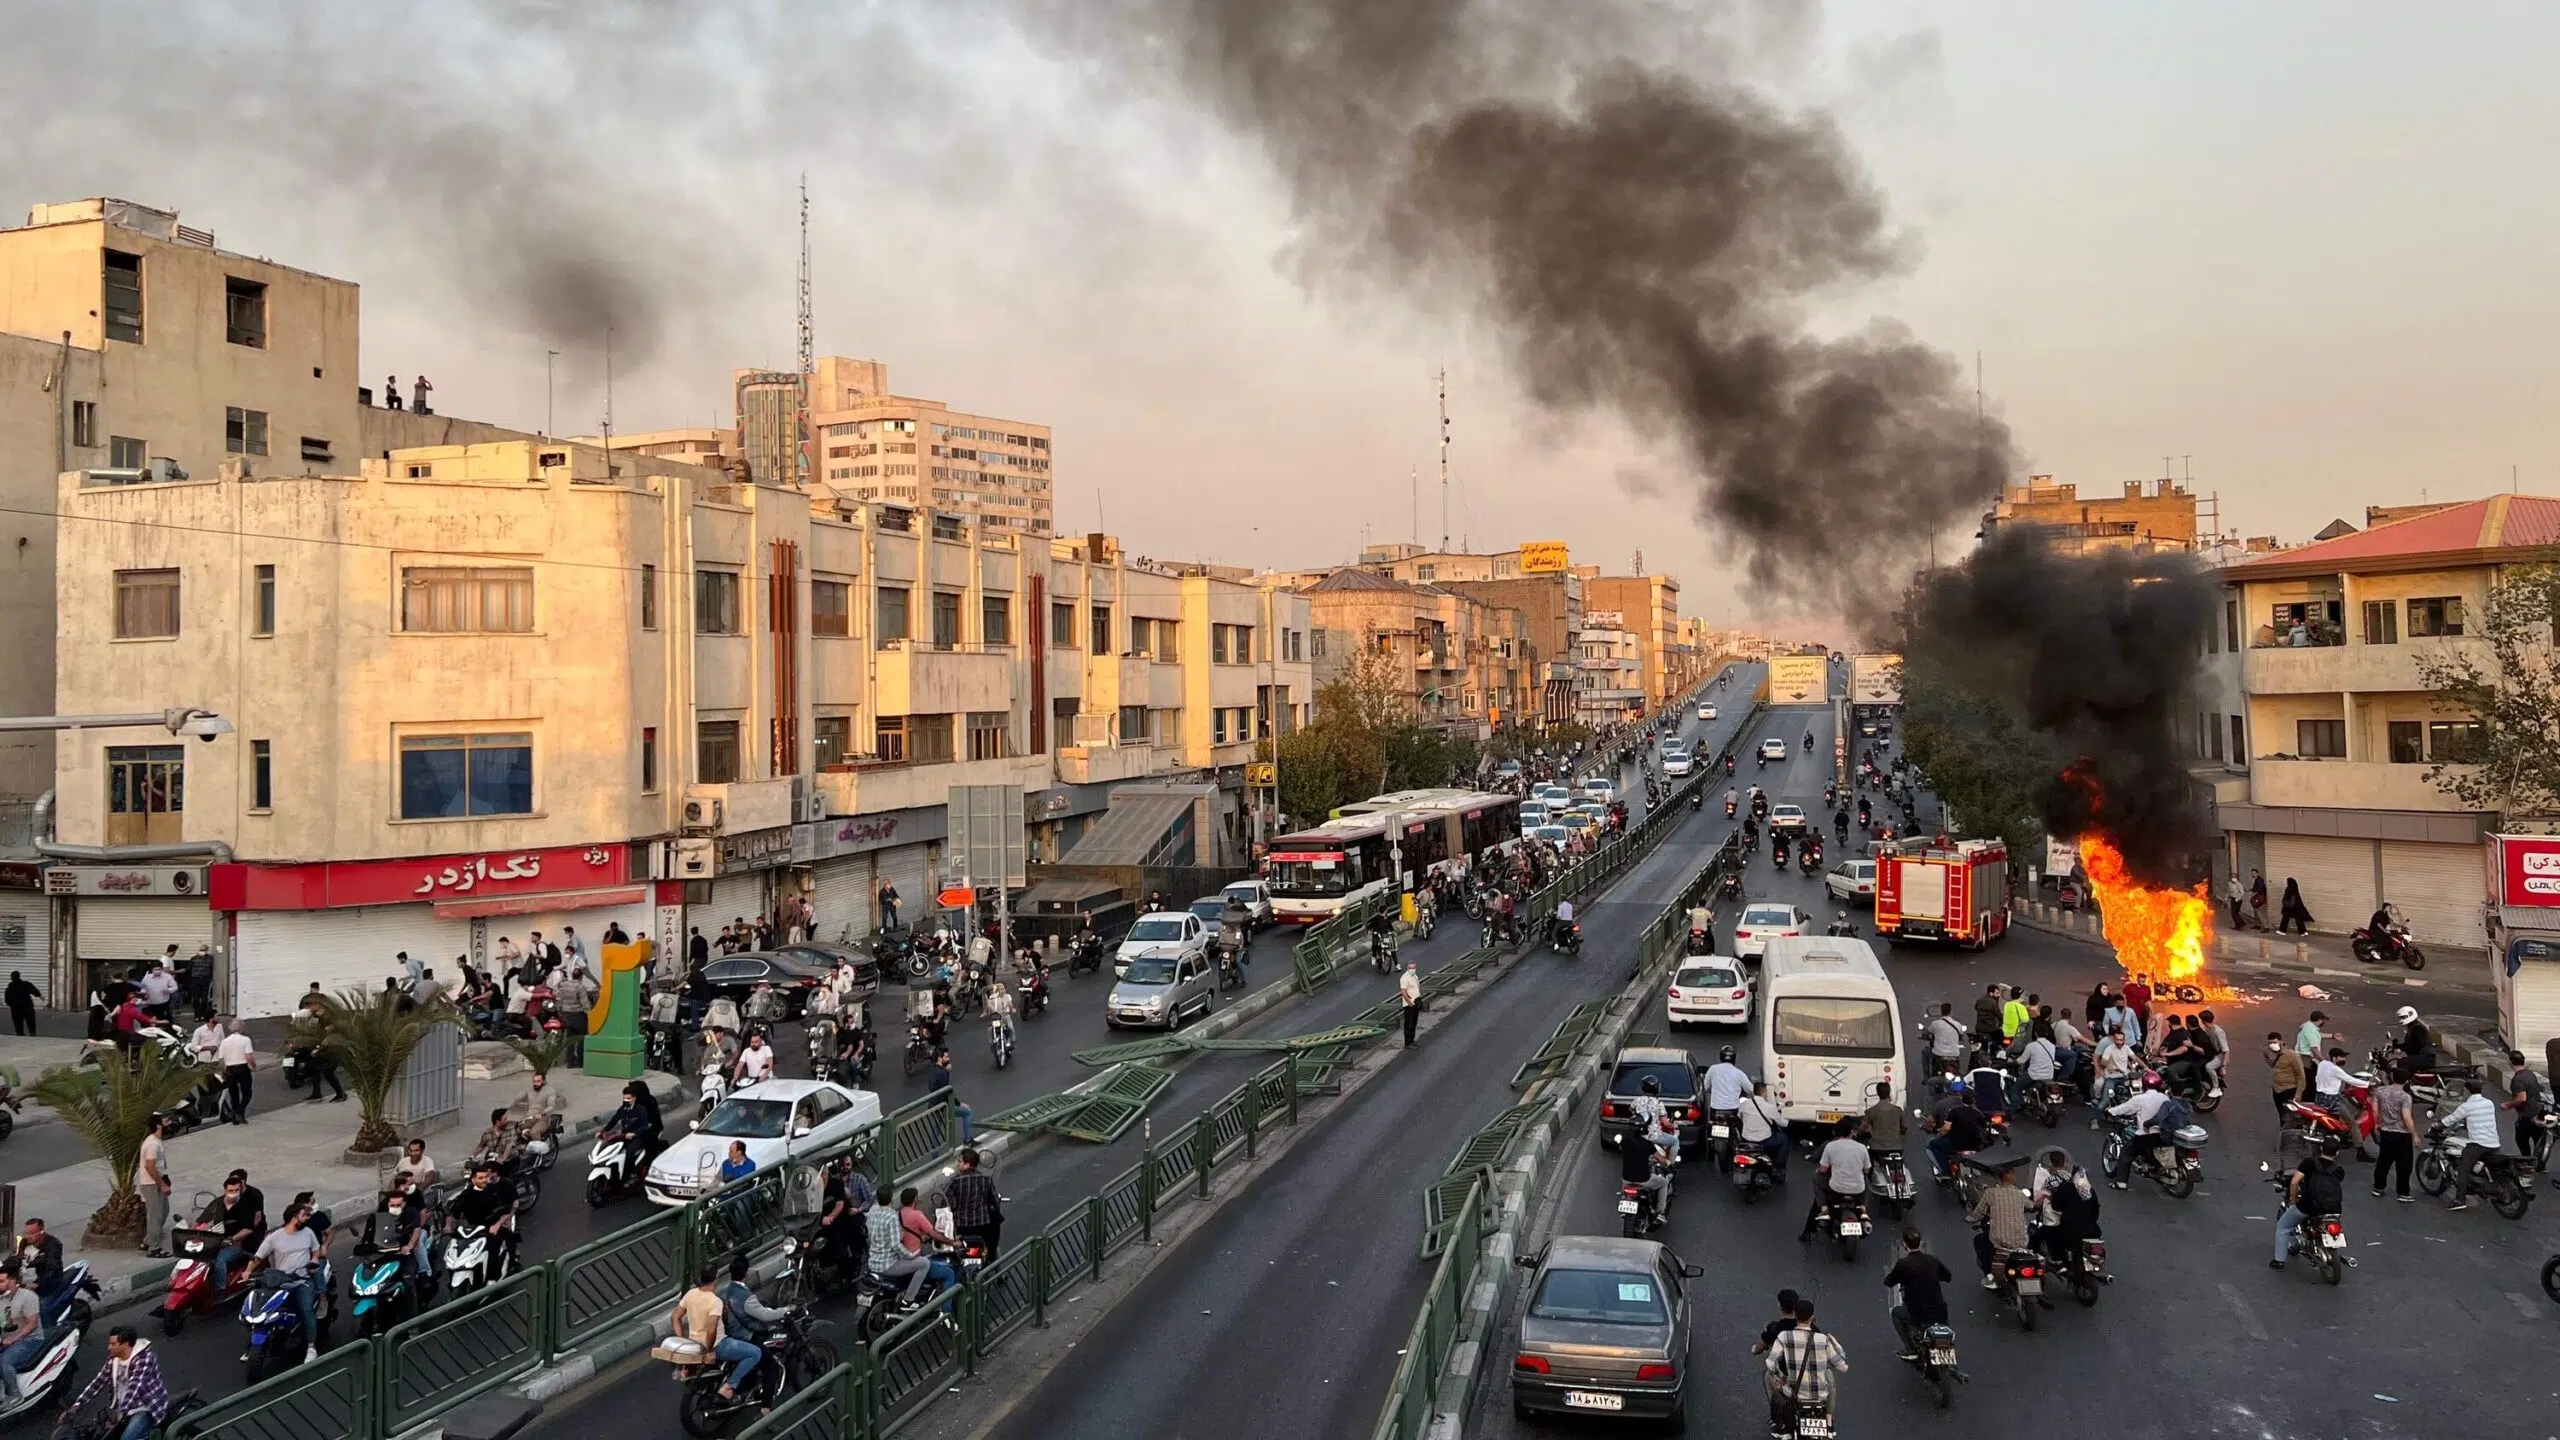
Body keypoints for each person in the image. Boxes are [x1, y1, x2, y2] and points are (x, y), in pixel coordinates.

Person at [243, 1202, 325, 1365]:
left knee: (306, 1308)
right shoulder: (275, 1237)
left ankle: (311, 1346)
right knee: (262, 1307)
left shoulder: (308, 1233)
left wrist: (314, 1260)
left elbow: (316, 1252)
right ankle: (252, 1345)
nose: (306, 1219)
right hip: (280, 1281)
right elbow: (258, 1257)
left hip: (302, 1280)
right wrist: (248, 1271)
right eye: (303, 1215)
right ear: (294, 1217)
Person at [1762, 1297, 1848, 1435]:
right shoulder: (1823, 1339)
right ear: (1812, 1317)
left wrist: (1780, 1378)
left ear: (1795, 1315)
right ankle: (1829, 1422)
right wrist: (1837, 1346)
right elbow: (1842, 1366)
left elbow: (1770, 1364)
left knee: (1767, 1376)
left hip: (1794, 1395)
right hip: (1820, 1396)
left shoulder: (1784, 1336)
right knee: (1829, 1376)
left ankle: (1780, 1423)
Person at [672, 1264, 758, 1402]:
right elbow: (711, 1330)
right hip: (718, 1345)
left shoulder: (690, 1294)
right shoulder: (715, 1301)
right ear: (716, 1279)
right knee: (755, 1353)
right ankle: (729, 1386)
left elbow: (675, 1317)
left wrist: (680, 1340)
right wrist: (710, 1351)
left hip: (694, 1345)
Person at [70, 1324, 170, 1440]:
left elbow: (135, 1387)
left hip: (145, 1407)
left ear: (126, 1345)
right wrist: (77, 1405)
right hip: (123, 1408)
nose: (109, 1347)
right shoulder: (114, 1359)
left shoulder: (145, 1358)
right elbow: (98, 1381)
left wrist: (120, 1413)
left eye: (113, 1344)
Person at [1882, 1226, 1953, 1361]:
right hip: (1940, 1311)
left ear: (1904, 1245)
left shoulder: (1903, 1264)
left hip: (1918, 1313)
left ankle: (1910, 1349)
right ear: (1920, 1243)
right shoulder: (1933, 1260)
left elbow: (1889, 1281)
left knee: (1896, 1313)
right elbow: (1948, 1276)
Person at [2272, 1142, 2347, 1269]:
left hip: (2308, 1206)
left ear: (2321, 1149)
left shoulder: (2309, 1163)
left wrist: (2293, 1200)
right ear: (2337, 1153)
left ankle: (2279, 1260)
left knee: (2283, 1227)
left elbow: (2295, 1182)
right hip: (2334, 1209)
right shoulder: (2339, 1171)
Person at [1799, 1120, 1870, 1242]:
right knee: (1866, 1180)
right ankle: (1863, 1207)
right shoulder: (1862, 1148)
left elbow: (1822, 1169)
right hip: (1858, 1190)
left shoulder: (1830, 1146)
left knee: (1815, 1178)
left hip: (1835, 1187)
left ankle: (1824, 1208)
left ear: (1834, 1132)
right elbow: (1867, 1170)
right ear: (1852, 1132)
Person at [2103, 1074, 2178, 1188]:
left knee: (2126, 1152)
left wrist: (2110, 1111)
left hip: (2147, 1135)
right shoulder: (2164, 1098)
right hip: (2165, 1135)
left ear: (2143, 1084)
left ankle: (2121, 1182)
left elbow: (2124, 1109)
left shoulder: (2140, 1099)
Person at [1966, 1161, 2033, 1287]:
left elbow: (1977, 1214)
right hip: (2021, 1242)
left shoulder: (1990, 1193)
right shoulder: (2019, 1193)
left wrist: (1970, 1219)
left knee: (1980, 1242)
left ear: (1998, 1178)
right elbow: (2030, 1206)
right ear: (2010, 1175)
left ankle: (1990, 1276)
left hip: (2000, 1243)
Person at [446, 1160, 522, 1268]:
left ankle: (502, 1270)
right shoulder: (467, 1194)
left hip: (493, 1225)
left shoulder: (497, 1190)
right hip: (474, 1228)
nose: (486, 1178)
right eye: (481, 1177)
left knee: (496, 1243)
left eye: (487, 1175)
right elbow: (455, 1211)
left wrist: (499, 1224)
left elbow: (508, 1208)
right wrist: (449, 1226)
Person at [2442, 1078, 2502, 1212]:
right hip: (2494, 1143)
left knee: (2463, 1169)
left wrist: (2438, 1124)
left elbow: (2451, 1119)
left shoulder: (2467, 1106)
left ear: (2467, 1092)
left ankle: (2459, 1200)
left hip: (2478, 1145)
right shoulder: (2489, 1103)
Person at [209, 1170, 268, 1291]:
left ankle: (221, 1289)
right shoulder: (221, 1202)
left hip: (245, 1238)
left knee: (220, 1261)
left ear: (243, 1182)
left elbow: (256, 1220)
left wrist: (240, 1235)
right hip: (224, 1237)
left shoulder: (252, 1197)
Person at [946, 1147, 1004, 1258]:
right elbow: (993, 1199)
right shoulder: (986, 1179)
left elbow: (946, 1200)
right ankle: (991, 1259)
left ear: (967, 1164)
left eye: (960, 1162)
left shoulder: (956, 1180)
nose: (958, 1164)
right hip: (982, 1225)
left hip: (962, 1225)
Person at [2370, 1071, 2417, 1201]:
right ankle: (2403, 1193)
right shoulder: (2405, 1097)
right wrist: (2415, 1135)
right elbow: (2407, 1118)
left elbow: (2374, 1110)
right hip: (2402, 1135)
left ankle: (2378, 1188)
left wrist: (2377, 1123)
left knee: (2383, 1161)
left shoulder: (2380, 1091)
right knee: (2404, 1165)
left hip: (2386, 1132)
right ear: (2406, 1081)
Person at [0, 1267, 42, 1403]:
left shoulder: (27, 1297)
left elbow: (33, 1324)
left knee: (4, 1361)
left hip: (30, 1339)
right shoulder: (2, 1299)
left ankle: (14, 1395)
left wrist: (14, 1338)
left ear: (12, 1281)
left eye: (1, 1281)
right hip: (6, 1338)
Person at [138, 1112, 175, 1257]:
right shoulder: (152, 1144)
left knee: (164, 1210)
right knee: (156, 1215)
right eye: (166, 1121)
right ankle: (153, 1248)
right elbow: (150, 1166)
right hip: (151, 1184)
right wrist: (162, 1184)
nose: (169, 1123)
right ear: (158, 1125)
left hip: (157, 1182)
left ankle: (147, 1240)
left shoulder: (156, 1141)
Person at [1736, 1080, 1787, 1168]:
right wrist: (1787, 1121)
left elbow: (1739, 1116)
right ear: (1763, 1092)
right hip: (1764, 1140)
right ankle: (1779, 1165)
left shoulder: (1744, 1104)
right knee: (1783, 1139)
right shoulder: (1769, 1107)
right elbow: (1783, 1124)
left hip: (1746, 1139)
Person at [217, 1019, 256, 1124]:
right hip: (242, 1068)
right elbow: (248, 1056)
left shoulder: (224, 1042)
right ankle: (240, 1111)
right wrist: (253, 1065)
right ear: (241, 1028)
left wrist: (223, 1071)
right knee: (247, 1093)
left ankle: (236, 1116)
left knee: (233, 1094)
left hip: (230, 1069)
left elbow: (221, 1060)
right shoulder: (245, 1039)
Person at [2268, 1031, 2308, 1124]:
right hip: (2277, 1091)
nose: (2271, 1045)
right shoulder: (2274, 1055)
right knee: (2281, 1115)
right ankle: (2284, 1134)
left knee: (2290, 1118)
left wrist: (2298, 1094)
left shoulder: (2293, 1056)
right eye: (2270, 1043)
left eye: (2274, 1042)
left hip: (2289, 1091)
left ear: (2281, 1041)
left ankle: (2291, 1135)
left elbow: (2301, 1076)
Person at [1399, 960, 1423, 1047]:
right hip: (1409, 1005)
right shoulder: (1404, 978)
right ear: (1407, 968)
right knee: (1409, 1024)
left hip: (1416, 1003)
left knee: (1414, 1023)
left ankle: (1412, 1040)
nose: (1412, 969)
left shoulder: (1415, 976)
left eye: (1414, 968)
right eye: (1410, 968)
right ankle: (1408, 1043)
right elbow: (1403, 992)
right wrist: (1410, 1003)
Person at [5, 971, 37, 1036]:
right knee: (31, 1023)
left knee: (18, 1026)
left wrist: (12, 1005)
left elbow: (7, 1000)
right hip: (27, 1008)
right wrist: (39, 995)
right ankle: (33, 1034)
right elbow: (34, 991)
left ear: (11, 978)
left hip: (16, 1009)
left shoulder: (9, 988)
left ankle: (21, 1036)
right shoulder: (26, 984)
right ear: (19, 977)